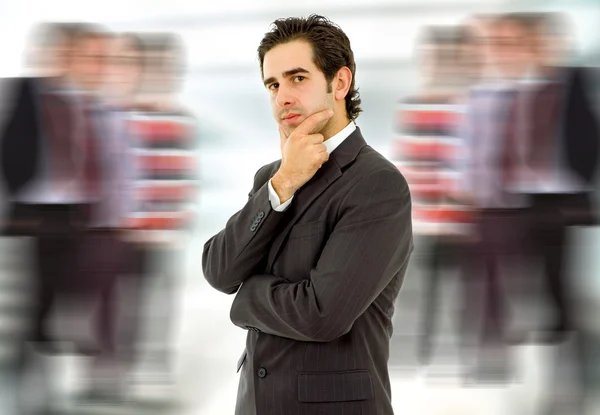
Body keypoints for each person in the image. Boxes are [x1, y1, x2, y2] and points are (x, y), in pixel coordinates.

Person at [202, 14, 413, 415]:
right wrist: (284, 183)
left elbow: (322, 315)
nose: (282, 97)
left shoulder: (377, 184)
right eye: (273, 84)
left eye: (298, 78)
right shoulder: (273, 177)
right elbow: (219, 270)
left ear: (340, 83)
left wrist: (246, 298)